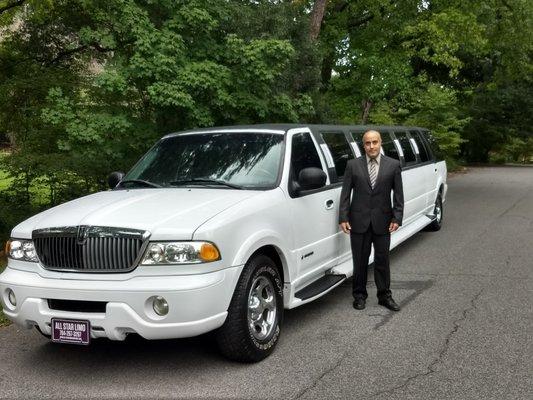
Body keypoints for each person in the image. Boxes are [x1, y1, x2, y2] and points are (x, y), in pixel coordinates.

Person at [339, 130, 404, 311]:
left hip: (383, 221)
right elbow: (345, 194)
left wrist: (397, 217)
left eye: (375, 142)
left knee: (382, 261)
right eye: (368, 143)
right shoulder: (353, 165)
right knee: (359, 261)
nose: (371, 146)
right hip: (358, 221)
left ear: (380, 142)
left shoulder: (393, 165)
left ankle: (384, 296)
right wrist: (343, 217)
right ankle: (359, 295)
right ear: (363, 145)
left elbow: (398, 194)